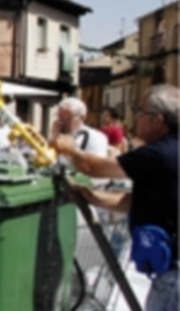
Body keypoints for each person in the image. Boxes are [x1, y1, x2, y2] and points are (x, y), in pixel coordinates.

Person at [53, 85, 178, 311]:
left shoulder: (158, 154)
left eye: (141, 113)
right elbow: (140, 200)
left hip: (173, 275)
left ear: (158, 120)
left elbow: (92, 166)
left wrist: (68, 148)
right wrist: (94, 197)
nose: (136, 119)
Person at [50, 98, 109, 186]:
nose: (60, 123)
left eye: (66, 119)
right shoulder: (59, 136)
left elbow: (97, 170)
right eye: (58, 117)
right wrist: (54, 139)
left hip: (86, 187)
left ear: (82, 118)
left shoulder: (94, 137)